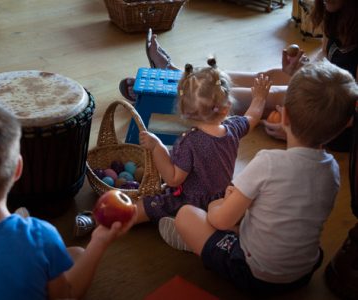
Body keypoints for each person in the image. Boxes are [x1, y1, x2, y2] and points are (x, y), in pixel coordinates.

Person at [157, 60, 358, 295]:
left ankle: (196, 243)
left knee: (186, 215)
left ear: (285, 117)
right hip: (304, 271)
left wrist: (214, 205)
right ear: (347, 123)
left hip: (255, 273)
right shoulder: (333, 169)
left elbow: (221, 220)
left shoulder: (268, 163)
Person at [0, 95, 136, 300]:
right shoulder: (41, 236)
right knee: (76, 253)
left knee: (72, 255)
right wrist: (99, 241)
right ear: (18, 169)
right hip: (35, 252)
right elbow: (64, 296)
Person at [121, 0, 358, 151]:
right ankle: (176, 74)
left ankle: (182, 94)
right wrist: (301, 68)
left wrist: (297, 132)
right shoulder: (335, 11)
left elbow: (348, 108)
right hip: (333, 90)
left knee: (273, 93)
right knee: (269, 75)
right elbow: (326, 59)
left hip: (339, 121)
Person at [135, 58, 271, 228]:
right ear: (226, 108)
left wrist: (157, 147)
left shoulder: (190, 142)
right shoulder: (234, 127)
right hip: (222, 200)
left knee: (146, 206)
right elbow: (252, 117)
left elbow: (173, 179)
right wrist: (259, 98)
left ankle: (181, 230)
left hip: (190, 202)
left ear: (184, 111)